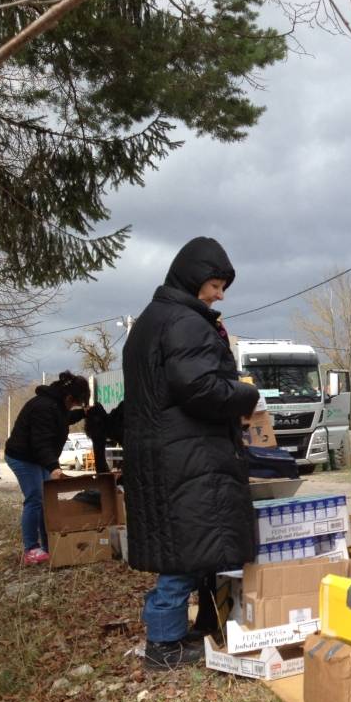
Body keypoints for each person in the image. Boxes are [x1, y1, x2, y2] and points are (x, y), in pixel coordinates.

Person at [123, 237, 260, 671]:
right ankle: (164, 645)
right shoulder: (186, 322)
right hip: (189, 453)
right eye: (215, 286)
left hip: (164, 452)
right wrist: (245, 394)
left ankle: (191, 629)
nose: (220, 296)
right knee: (186, 551)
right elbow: (199, 388)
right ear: (193, 278)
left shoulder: (151, 320)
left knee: (184, 546)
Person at [4, 372, 90, 565]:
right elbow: (40, 442)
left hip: (37, 457)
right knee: (35, 497)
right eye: (75, 404)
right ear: (69, 397)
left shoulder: (57, 405)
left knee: (47, 499)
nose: (73, 407)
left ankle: (48, 543)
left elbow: (64, 418)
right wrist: (54, 467)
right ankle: (31, 549)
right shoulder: (43, 407)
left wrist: (82, 413)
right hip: (22, 456)